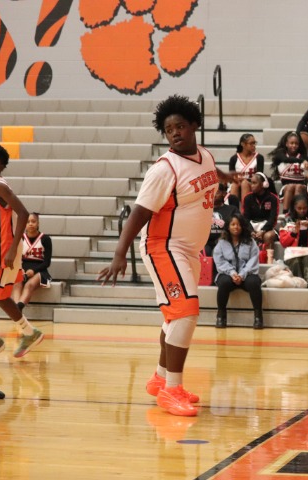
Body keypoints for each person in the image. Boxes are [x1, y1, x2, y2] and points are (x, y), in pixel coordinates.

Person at [98, 94, 238, 417]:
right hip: (164, 246)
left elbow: (207, 174)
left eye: (180, 126)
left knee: (175, 316)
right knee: (186, 312)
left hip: (189, 249)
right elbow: (138, 213)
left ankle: (160, 378)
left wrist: (225, 178)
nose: (174, 133)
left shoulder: (205, 155)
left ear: (194, 125)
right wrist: (120, 253)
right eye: (169, 129)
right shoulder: (164, 170)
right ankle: (172, 390)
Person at [0, 146, 44, 359]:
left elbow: (23, 213)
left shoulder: (0, 186)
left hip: (4, 250)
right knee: (0, 296)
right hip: (1, 248)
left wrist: (13, 248)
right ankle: (29, 332)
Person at [213, 213, 264, 329]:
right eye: (233, 224)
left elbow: (253, 260)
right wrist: (232, 273)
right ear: (228, 226)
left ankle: (258, 317)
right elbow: (219, 261)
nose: (236, 227)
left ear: (243, 226)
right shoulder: (221, 242)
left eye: (239, 224)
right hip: (228, 274)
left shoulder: (250, 242)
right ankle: (221, 316)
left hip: (246, 274)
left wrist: (242, 274)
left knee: (254, 283)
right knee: (224, 282)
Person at [278, 194, 308, 287]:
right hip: (293, 253)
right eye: (299, 208)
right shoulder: (287, 220)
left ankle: (307, 287)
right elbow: (283, 243)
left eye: (305, 208)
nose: (302, 211)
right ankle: (296, 287)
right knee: (295, 261)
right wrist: (293, 233)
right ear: (294, 207)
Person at [12, 212, 53, 312]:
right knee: (16, 284)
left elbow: (47, 262)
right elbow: (16, 259)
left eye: (33, 221)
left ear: (38, 223)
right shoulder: (20, 238)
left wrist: (33, 271)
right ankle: (17, 311)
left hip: (40, 271)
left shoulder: (46, 239)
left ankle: (17, 310)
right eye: (28, 222)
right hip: (22, 269)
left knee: (29, 285)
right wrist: (20, 269)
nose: (30, 224)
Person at [269, 131, 308, 214]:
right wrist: (301, 161)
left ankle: (296, 214)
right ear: (286, 144)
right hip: (286, 186)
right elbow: (286, 159)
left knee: (298, 186)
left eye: (296, 143)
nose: (294, 145)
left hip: (301, 186)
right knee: (290, 186)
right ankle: (285, 213)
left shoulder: (304, 157)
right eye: (291, 143)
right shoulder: (280, 154)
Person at [242, 172, 279, 253]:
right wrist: (251, 231)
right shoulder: (247, 198)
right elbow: (245, 218)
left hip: (267, 227)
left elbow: (273, 219)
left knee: (268, 236)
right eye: (251, 183)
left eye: (254, 183)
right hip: (251, 225)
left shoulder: (273, 198)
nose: (251, 185)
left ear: (263, 184)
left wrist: (263, 230)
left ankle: (268, 259)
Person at [204, 183, 239, 256]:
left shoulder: (232, 209)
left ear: (224, 194)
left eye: (216, 192)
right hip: (206, 242)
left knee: (218, 251)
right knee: (202, 251)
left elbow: (242, 224)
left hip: (225, 242)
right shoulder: (202, 210)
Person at [228, 133, 265, 203]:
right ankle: (232, 208)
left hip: (253, 184)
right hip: (238, 183)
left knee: (244, 183)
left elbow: (260, 176)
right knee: (234, 184)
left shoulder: (259, 157)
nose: (254, 145)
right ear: (243, 144)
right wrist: (237, 179)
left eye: (254, 143)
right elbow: (231, 177)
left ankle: (245, 208)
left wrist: (246, 180)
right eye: (251, 143)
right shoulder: (234, 158)